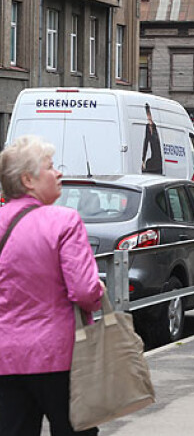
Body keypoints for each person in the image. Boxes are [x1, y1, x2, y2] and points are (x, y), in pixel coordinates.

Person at [0, 136, 105, 436]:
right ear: (28, 180)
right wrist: (97, 290)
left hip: (6, 358)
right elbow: (84, 291)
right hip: (60, 355)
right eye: (50, 167)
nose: (58, 172)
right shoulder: (64, 221)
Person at [141, 103, 162, 174]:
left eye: (149, 114)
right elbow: (145, 144)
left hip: (158, 159)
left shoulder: (155, 127)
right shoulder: (147, 127)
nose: (149, 117)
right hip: (153, 159)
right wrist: (143, 160)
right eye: (147, 115)